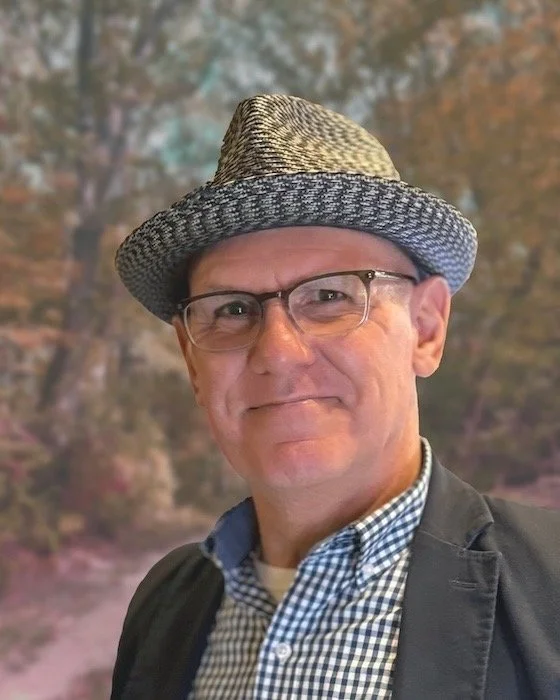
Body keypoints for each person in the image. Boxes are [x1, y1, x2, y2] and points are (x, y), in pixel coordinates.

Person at [111, 94, 560, 699]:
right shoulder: (163, 606)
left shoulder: (550, 590)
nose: (277, 352)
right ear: (192, 360)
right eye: (232, 310)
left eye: (329, 297)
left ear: (426, 328)